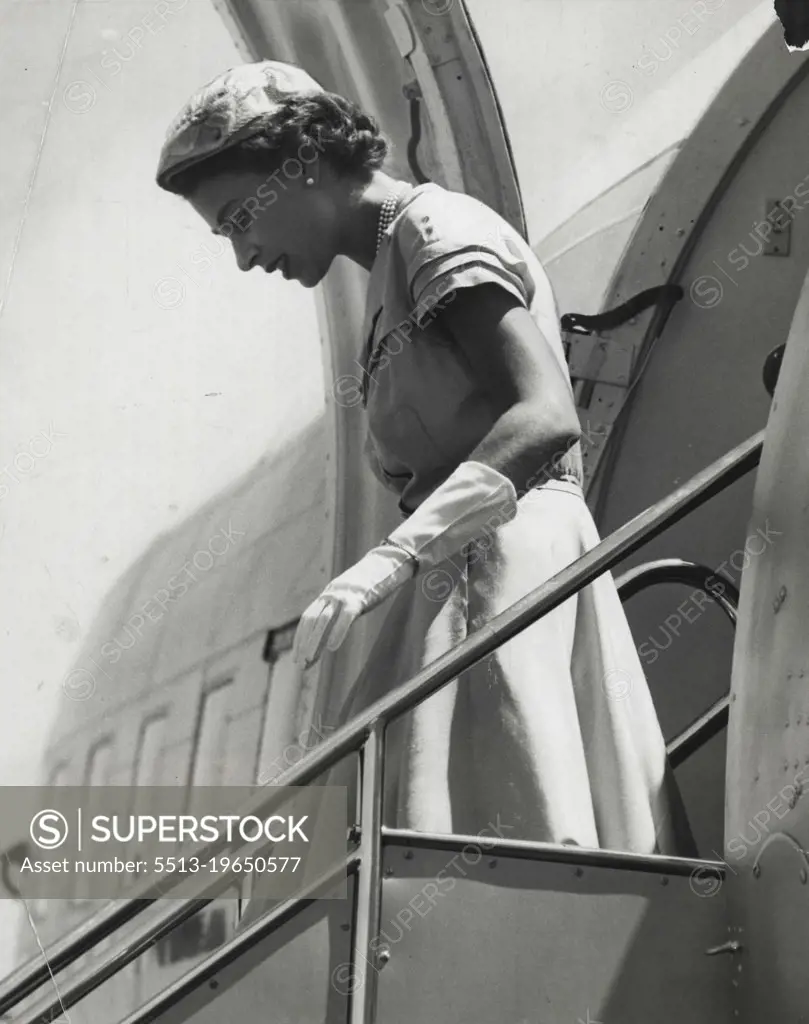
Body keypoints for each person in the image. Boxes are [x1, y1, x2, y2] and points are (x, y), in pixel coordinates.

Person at [156, 60, 695, 856]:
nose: (243, 255)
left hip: (503, 560)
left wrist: (395, 555)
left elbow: (543, 415)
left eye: (241, 218)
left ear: (302, 164)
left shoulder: (434, 235)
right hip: (464, 564)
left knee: (475, 840)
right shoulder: (390, 270)